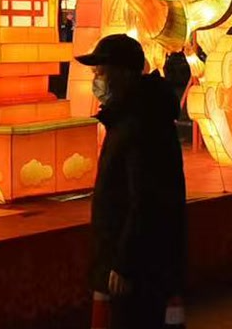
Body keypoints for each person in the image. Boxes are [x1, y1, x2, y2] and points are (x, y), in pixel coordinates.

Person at [77, 34, 186, 328]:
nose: (96, 80)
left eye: (101, 71)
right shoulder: (130, 117)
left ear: (122, 73)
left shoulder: (140, 123)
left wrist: (125, 263)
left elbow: (145, 199)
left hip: (139, 268)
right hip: (136, 261)